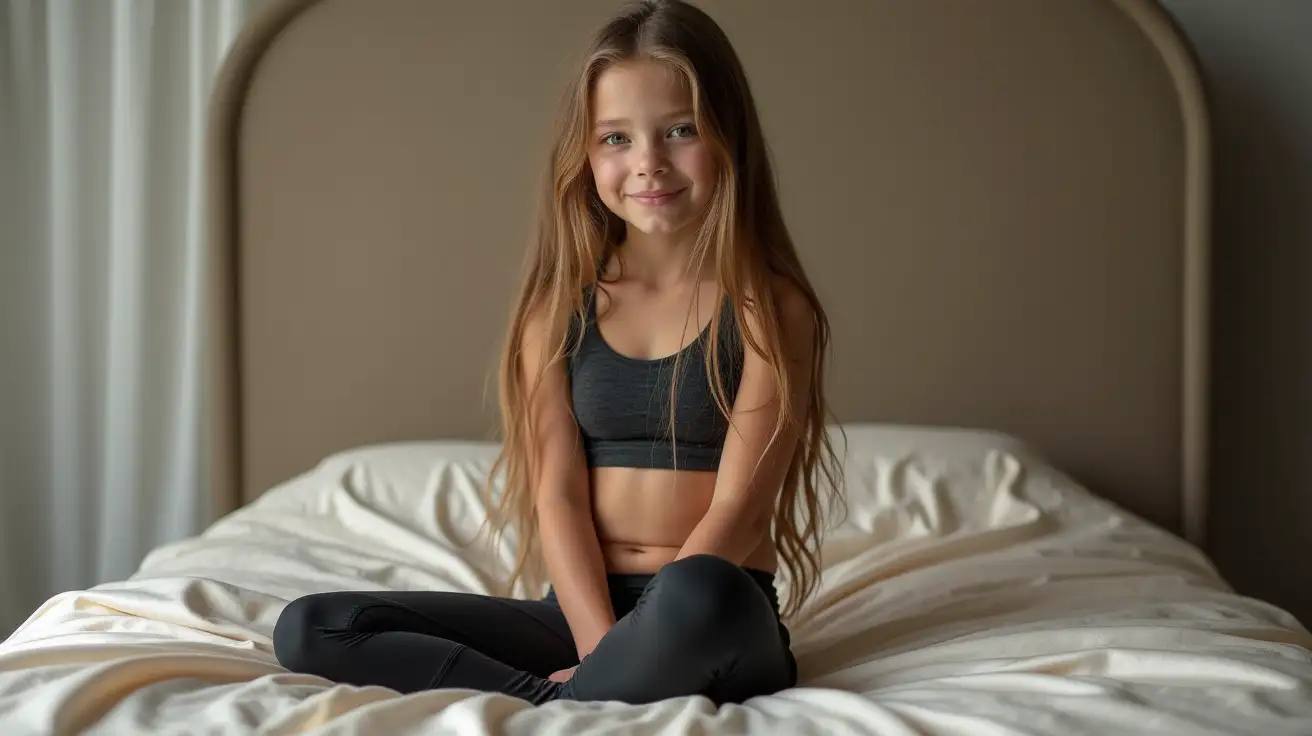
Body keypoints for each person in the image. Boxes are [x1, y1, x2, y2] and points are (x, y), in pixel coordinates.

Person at [272, 0, 843, 707]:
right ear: (585, 154)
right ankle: (566, 699)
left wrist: (645, 635)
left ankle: (575, 697)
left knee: (699, 594)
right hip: (582, 615)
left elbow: (741, 510)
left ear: (728, 136)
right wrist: (603, 647)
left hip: (713, 611)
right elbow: (560, 495)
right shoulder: (558, 309)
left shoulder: (769, 307)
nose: (648, 164)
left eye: (679, 130)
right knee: (316, 627)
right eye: (615, 139)